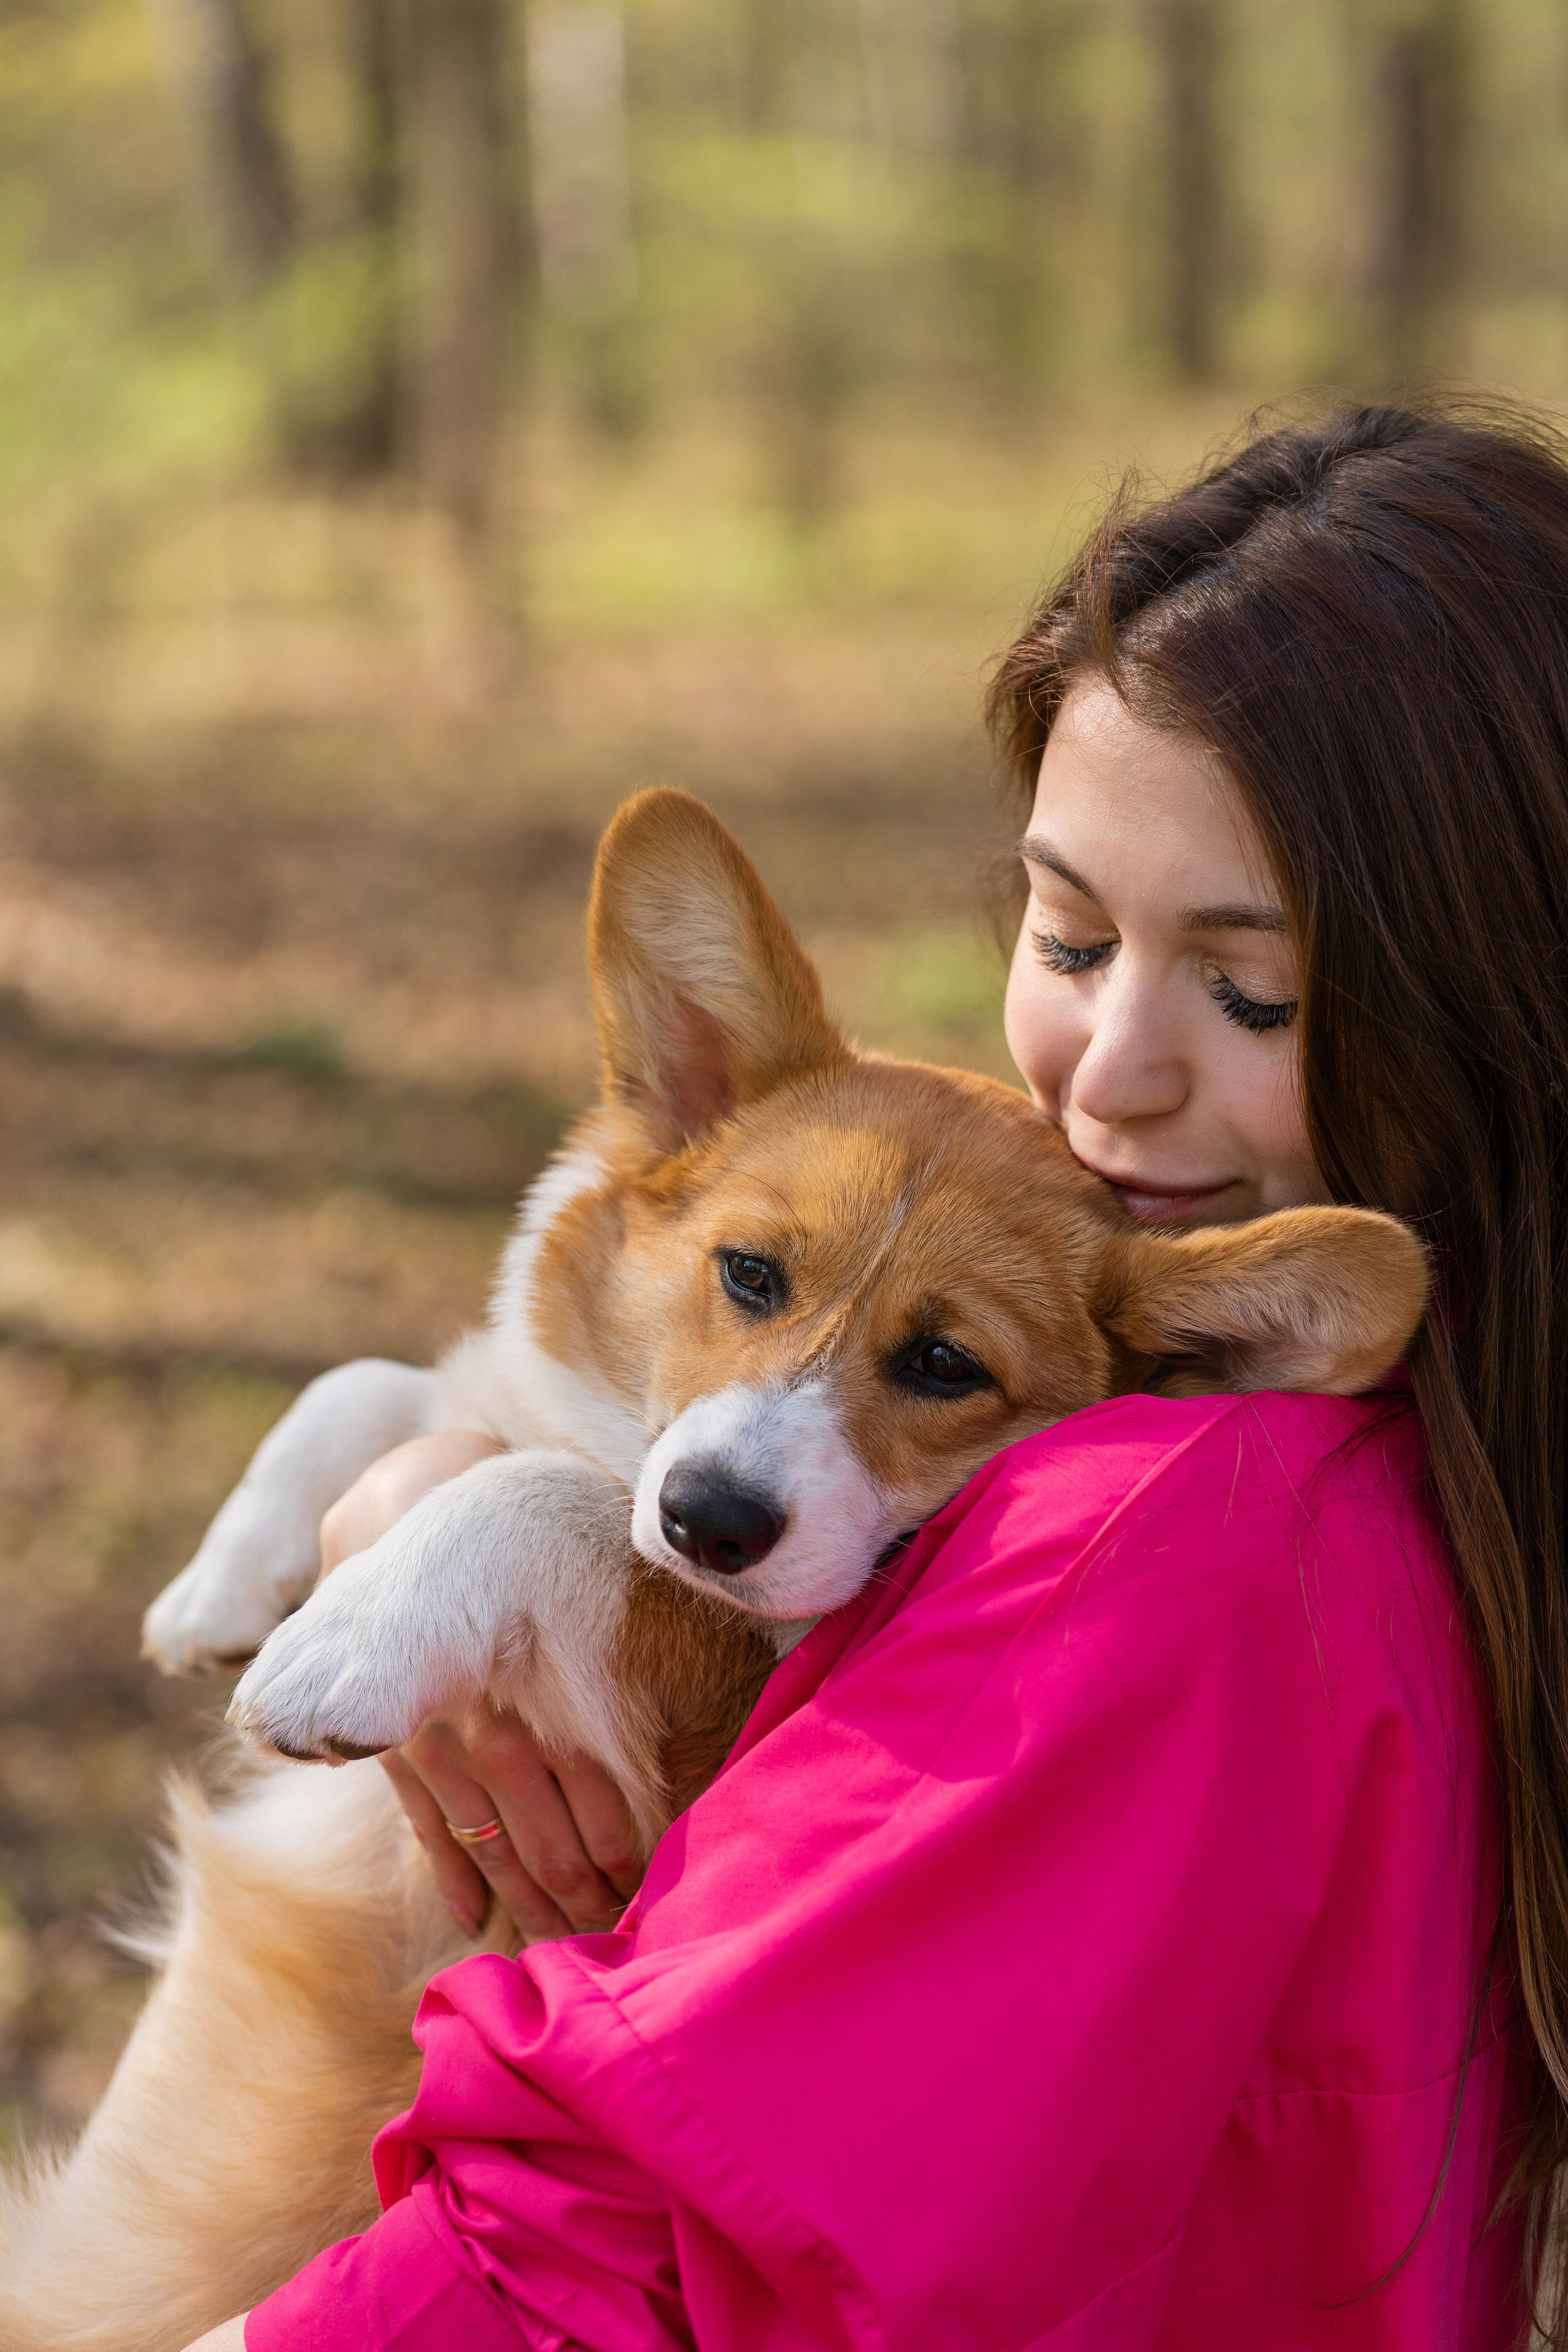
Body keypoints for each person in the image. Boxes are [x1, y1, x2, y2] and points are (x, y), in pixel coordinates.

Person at [181, 400, 1568, 2350]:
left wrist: (484, 1532)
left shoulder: (1191, 1536)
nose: (1105, 1077)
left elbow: (639, 2226)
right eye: (1070, 933)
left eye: (1253, 993)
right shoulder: (1465, 1497)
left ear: (1497, 994)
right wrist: (425, 1479)